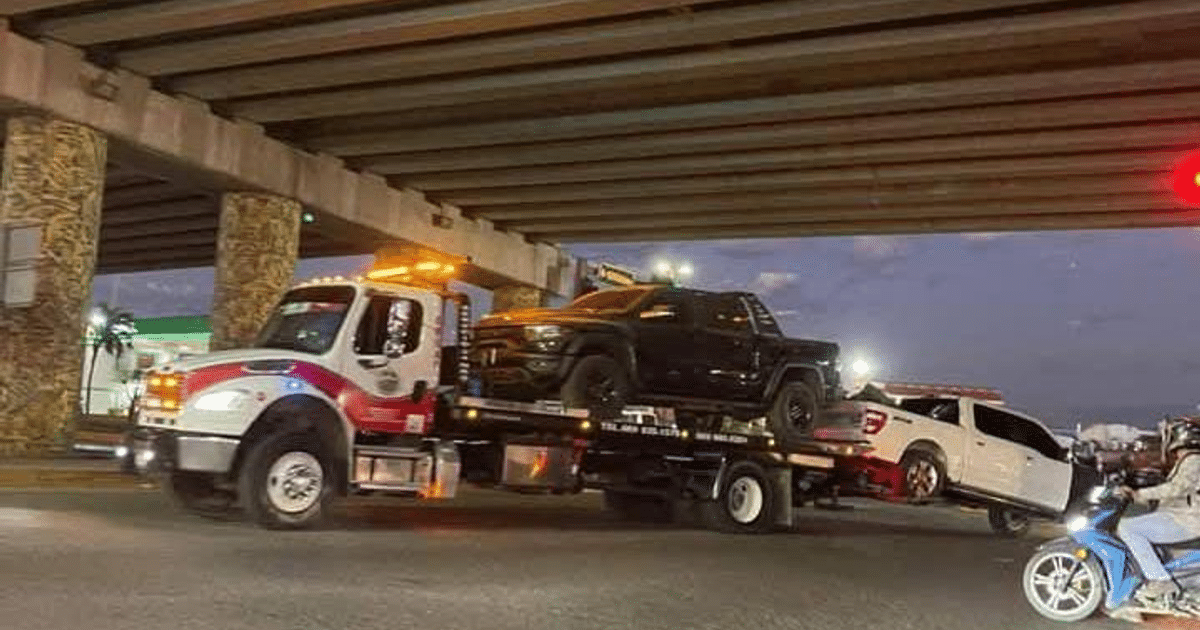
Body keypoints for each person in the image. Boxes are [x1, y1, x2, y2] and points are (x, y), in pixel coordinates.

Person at [1116, 418, 1200, 608]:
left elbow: (1176, 489)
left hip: (1187, 520)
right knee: (1142, 522)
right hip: (1184, 516)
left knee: (1129, 528)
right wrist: (1144, 495)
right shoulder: (1189, 460)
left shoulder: (1194, 460)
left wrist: (1140, 493)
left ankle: (1160, 581)